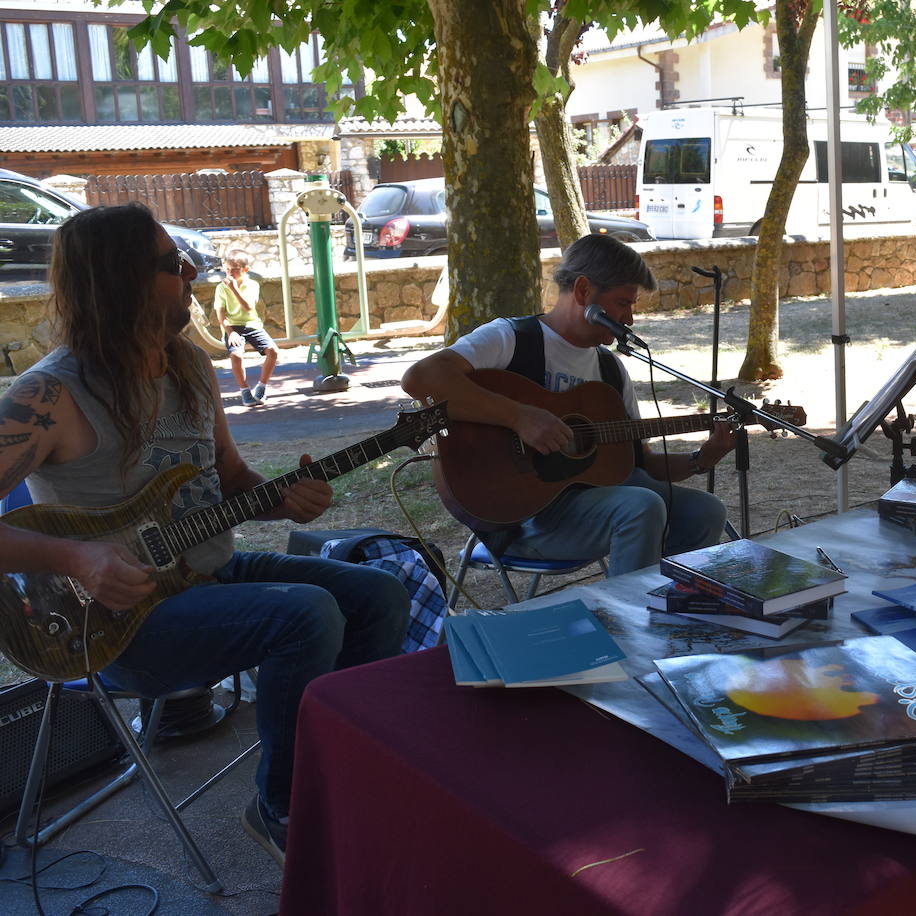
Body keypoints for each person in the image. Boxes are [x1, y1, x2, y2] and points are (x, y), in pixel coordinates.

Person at [0, 204, 409, 866]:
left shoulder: (188, 366)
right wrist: (78, 555)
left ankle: (337, 769)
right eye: (173, 264)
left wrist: (285, 501)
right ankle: (284, 806)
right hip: (118, 623)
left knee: (380, 595)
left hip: (210, 577)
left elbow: (229, 480)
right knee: (305, 615)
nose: (192, 274)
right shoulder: (50, 396)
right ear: (117, 280)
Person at [402, 234, 734, 577]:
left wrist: (703, 458)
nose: (629, 319)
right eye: (623, 303)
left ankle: (673, 606)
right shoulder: (511, 339)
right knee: (640, 506)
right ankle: (631, 622)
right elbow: (420, 379)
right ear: (583, 291)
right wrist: (519, 417)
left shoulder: (609, 369)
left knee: (705, 510)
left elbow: (644, 465)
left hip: (596, 504)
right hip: (522, 518)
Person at [214, 248, 279, 407]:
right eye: (227, 269)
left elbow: (249, 307)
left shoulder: (252, 284)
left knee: (273, 351)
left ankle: (262, 386)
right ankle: (244, 390)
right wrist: (230, 333)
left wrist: (234, 289)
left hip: (252, 324)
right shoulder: (221, 288)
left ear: (245, 270)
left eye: (234, 270)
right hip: (232, 326)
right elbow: (221, 314)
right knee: (236, 355)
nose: (230, 274)